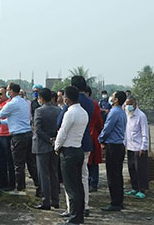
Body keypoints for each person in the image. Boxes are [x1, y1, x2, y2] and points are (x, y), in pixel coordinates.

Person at [56, 76, 94, 218]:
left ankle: (72, 210)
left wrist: (57, 145)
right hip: (84, 142)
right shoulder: (90, 103)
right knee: (82, 178)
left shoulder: (70, 108)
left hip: (70, 145)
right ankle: (84, 206)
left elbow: (61, 125)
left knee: (70, 183)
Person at [31, 88, 61, 210]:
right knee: (54, 173)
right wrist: (54, 140)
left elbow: (38, 130)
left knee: (43, 175)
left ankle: (46, 201)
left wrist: (49, 139)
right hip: (54, 145)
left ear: (41, 99)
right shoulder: (58, 110)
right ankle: (55, 200)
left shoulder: (39, 111)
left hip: (42, 145)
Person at [99, 90, 127, 212]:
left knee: (112, 175)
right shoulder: (121, 112)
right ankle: (119, 201)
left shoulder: (114, 112)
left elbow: (107, 128)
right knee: (118, 174)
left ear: (116, 100)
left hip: (113, 146)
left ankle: (115, 202)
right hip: (119, 145)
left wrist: (100, 139)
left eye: (113, 96)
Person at [124, 96, 149, 199]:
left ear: (135, 104)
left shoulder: (141, 116)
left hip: (139, 148)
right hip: (130, 146)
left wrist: (143, 147)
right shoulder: (127, 115)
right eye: (127, 104)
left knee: (140, 170)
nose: (128, 106)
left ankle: (142, 189)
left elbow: (144, 132)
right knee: (132, 168)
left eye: (130, 104)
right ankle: (134, 188)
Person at [85, 86, 104, 193]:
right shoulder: (94, 104)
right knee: (92, 162)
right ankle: (92, 182)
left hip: (90, 134)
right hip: (93, 134)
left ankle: (92, 182)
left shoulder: (90, 103)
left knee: (91, 162)